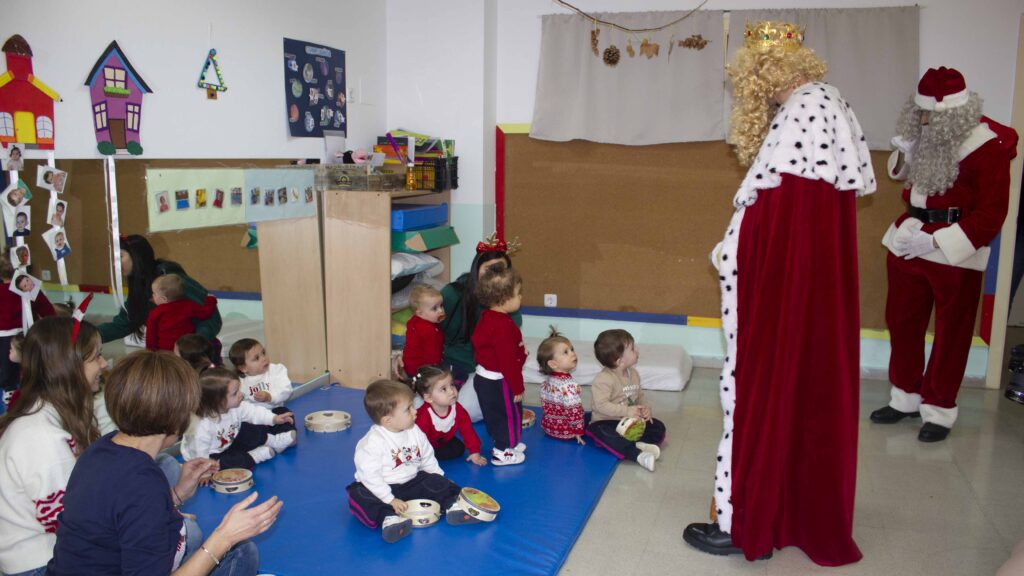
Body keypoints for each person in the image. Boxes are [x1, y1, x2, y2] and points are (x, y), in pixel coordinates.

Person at [682, 22, 873, 565]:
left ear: (760, 74)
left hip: (778, 291)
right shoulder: (822, 105)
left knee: (762, 389)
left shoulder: (804, 112)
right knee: (795, 390)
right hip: (796, 287)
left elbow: (779, 216)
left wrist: (734, 253)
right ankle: (780, 509)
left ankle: (749, 519)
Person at [872, 67, 1015, 442]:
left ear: (957, 112)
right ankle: (904, 397)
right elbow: (905, 179)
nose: (924, 121)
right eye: (921, 113)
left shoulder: (987, 148)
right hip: (908, 240)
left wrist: (937, 242)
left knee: (952, 333)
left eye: (932, 116)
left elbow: (991, 214)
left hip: (953, 251)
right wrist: (904, 152)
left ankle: (938, 409)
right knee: (902, 324)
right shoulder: (924, 134)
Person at [46, 350, 279, 575]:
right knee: (238, 552)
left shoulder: (103, 448)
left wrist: (177, 494)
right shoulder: (142, 483)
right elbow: (137, 502)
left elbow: (123, 517)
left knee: (235, 550)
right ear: (175, 416)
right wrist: (224, 537)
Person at [0, 316, 105, 575]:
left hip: (52, 551)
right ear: (68, 366)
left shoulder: (53, 413)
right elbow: (72, 524)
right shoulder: (41, 437)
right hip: (40, 563)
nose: (104, 364)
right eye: (96, 357)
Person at [346, 379, 482, 543]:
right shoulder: (372, 443)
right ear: (388, 420)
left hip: (411, 481)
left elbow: (427, 457)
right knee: (358, 493)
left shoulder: (414, 430)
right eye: (408, 409)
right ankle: (389, 519)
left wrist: (439, 478)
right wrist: (389, 499)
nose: (415, 411)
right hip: (381, 486)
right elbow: (370, 476)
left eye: (413, 406)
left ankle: (453, 507)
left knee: (439, 482)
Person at [97, 235, 223, 345]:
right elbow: (124, 323)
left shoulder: (170, 280)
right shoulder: (140, 285)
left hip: (193, 353)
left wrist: (193, 344)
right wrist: (89, 336)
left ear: (137, 256)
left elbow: (211, 318)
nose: (115, 264)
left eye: (120, 256)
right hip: (169, 354)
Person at [439, 238, 523, 383]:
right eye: (488, 270)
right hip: (450, 367)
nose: (493, 276)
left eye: (499, 270)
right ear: (476, 269)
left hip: (486, 372)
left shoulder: (508, 307)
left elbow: (508, 350)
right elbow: (427, 327)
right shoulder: (452, 294)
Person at [180, 367, 296, 470]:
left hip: (229, 442)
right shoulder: (201, 425)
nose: (241, 394)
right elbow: (199, 452)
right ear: (218, 401)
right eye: (235, 393)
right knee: (222, 464)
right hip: (209, 455)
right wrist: (204, 471)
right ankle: (254, 456)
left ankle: (273, 441)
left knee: (249, 428)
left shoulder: (236, 406)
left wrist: (274, 419)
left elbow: (253, 412)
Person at [471, 262, 527, 466]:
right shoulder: (502, 325)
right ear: (504, 299)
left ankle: (506, 444)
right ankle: (503, 451)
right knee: (509, 415)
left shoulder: (489, 316)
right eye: (518, 293)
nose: (521, 297)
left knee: (494, 414)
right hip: (500, 381)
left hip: (486, 378)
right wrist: (517, 386)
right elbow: (507, 362)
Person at [585, 329, 664, 470]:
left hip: (631, 422)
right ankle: (638, 455)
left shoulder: (634, 373)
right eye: (633, 349)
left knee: (658, 427)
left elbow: (639, 395)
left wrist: (645, 408)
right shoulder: (603, 380)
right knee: (602, 432)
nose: (637, 350)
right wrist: (626, 411)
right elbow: (600, 405)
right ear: (620, 361)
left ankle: (640, 444)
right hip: (606, 421)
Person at [0, 257, 55, 404]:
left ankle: (9, 391)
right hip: (26, 335)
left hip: (5, 337)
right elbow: (47, 309)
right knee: (31, 364)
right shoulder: (28, 288)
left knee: (6, 369)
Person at [412, 365, 486, 465]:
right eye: (444, 389)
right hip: (423, 444)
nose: (451, 391)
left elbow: (467, 430)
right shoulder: (423, 416)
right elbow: (417, 441)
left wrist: (474, 452)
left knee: (459, 449)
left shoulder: (457, 409)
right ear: (429, 398)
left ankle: (433, 454)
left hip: (442, 441)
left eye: (452, 385)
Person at [228, 338, 296, 435]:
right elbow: (237, 404)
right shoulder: (239, 382)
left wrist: (270, 397)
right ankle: (265, 440)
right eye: (256, 358)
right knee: (245, 428)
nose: (264, 358)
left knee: (286, 416)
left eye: (263, 353)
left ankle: (286, 435)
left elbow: (286, 390)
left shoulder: (276, 370)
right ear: (243, 368)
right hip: (254, 417)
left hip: (275, 410)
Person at [536, 327, 585, 444]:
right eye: (566, 352)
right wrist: (578, 430)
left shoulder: (548, 380)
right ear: (553, 364)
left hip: (549, 428)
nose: (573, 353)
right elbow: (573, 411)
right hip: (567, 432)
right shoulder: (568, 385)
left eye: (572, 349)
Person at [145, 274, 218, 352]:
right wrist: (210, 300)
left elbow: (151, 335)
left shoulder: (155, 312)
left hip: (165, 351)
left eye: (154, 293)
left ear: (164, 299)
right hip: (186, 349)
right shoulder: (189, 305)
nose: (152, 295)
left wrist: (151, 352)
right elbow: (205, 313)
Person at [402, 285, 445, 379]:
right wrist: (438, 372)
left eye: (441, 306)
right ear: (420, 313)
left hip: (410, 366)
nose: (441, 311)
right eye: (434, 308)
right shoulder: (428, 331)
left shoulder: (415, 321)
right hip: (422, 371)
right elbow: (433, 356)